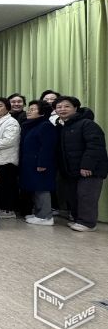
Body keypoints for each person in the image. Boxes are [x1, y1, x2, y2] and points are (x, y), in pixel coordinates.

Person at [54, 96, 108, 232]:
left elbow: (95, 146)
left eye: (67, 106)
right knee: (74, 196)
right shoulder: (63, 126)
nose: (62, 109)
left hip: (90, 169)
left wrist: (87, 166)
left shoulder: (87, 124)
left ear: (75, 108)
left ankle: (88, 223)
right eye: (59, 107)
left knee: (87, 195)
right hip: (71, 170)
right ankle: (79, 219)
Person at [19, 100, 57, 225]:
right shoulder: (32, 125)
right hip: (31, 163)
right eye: (29, 109)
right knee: (35, 188)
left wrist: (42, 163)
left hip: (40, 164)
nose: (29, 111)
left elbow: (47, 147)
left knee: (42, 188)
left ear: (42, 112)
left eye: (33, 109)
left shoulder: (45, 125)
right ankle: (39, 214)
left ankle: (46, 217)